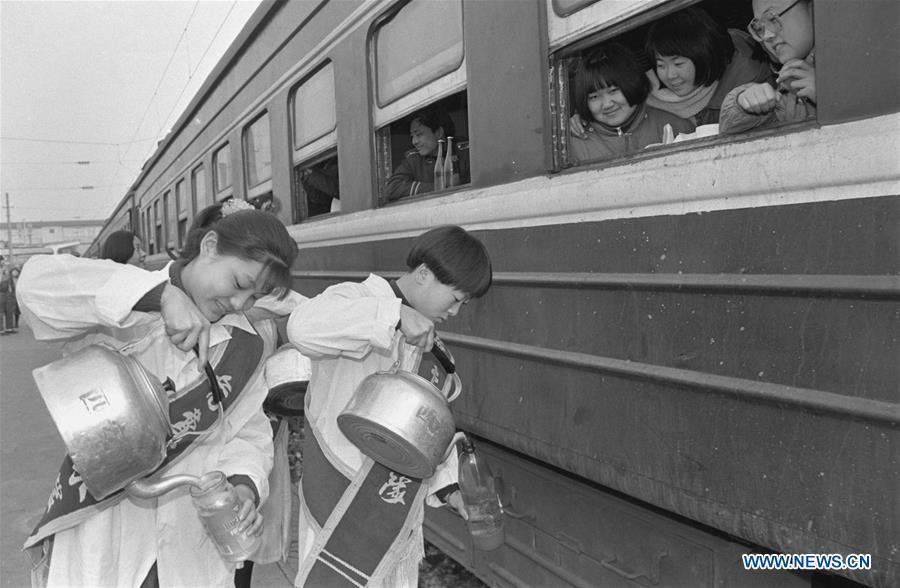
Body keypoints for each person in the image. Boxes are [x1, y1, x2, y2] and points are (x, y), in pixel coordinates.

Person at [18, 199, 299, 588]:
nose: (237, 304)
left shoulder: (243, 345)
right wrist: (160, 296)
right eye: (238, 284)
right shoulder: (122, 300)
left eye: (251, 299)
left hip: (191, 544)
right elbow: (34, 288)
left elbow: (249, 433)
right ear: (209, 246)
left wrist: (244, 484)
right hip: (107, 533)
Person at [286, 225, 492, 587]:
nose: (456, 311)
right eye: (455, 298)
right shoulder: (356, 298)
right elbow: (301, 328)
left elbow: (427, 428)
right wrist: (392, 314)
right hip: (337, 497)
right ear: (425, 274)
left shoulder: (433, 348)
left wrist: (448, 487)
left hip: (392, 508)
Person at [568, 43, 695, 163]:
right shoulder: (574, 144)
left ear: (632, 84)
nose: (607, 104)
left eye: (613, 91)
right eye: (594, 97)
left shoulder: (677, 128)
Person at [719, 0, 816, 134]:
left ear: (813, 8)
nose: (767, 36)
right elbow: (729, 133)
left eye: (772, 18)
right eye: (759, 28)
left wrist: (832, 96)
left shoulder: (851, 60)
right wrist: (743, 104)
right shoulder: (790, 83)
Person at [384, 108, 470, 202]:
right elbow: (392, 188)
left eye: (419, 134)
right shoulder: (413, 160)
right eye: (412, 136)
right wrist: (438, 187)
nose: (414, 142)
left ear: (439, 132)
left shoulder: (465, 153)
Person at [0, 266, 16, 334]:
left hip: (8, 293)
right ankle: (0, 329)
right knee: (0, 312)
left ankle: (9, 328)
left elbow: (11, 282)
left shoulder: (6, 271)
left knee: (9, 311)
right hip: (1, 293)